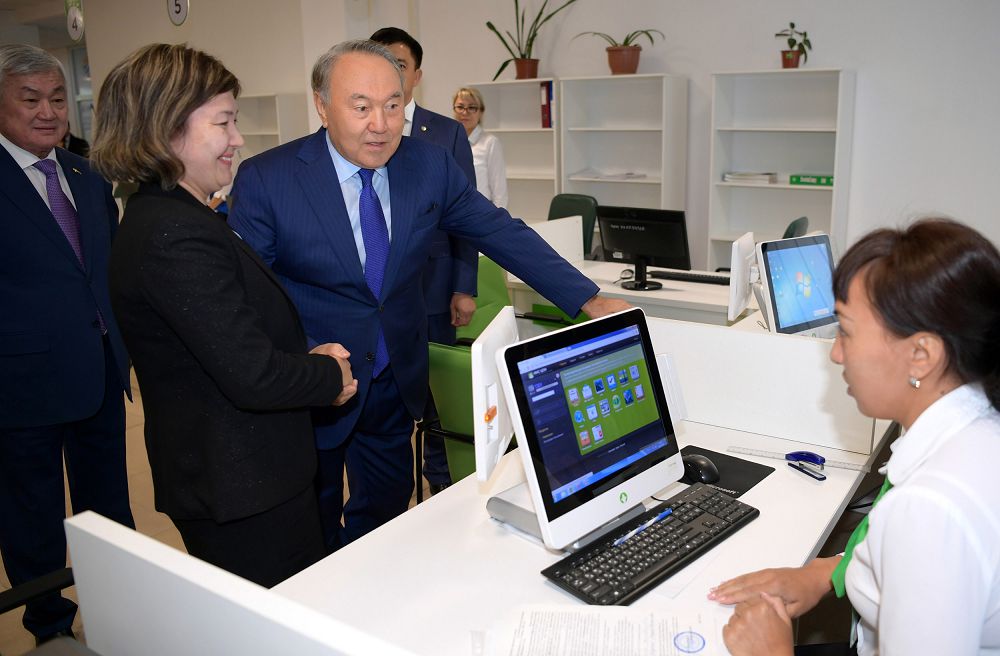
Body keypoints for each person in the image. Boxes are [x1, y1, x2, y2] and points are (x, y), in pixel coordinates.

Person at [228, 39, 629, 552]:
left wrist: (589, 299)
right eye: (361, 107)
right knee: (309, 525)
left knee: (385, 522)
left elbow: (499, 232)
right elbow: (247, 295)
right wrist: (302, 357)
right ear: (322, 106)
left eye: (393, 105)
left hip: (392, 377)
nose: (381, 124)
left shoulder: (428, 166)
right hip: (312, 381)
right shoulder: (269, 178)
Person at [92, 43, 357, 588]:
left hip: (253, 476)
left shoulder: (182, 215)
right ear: (167, 128)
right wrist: (329, 374)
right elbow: (251, 374)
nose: (237, 139)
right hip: (240, 486)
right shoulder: (172, 233)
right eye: (223, 122)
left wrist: (302, 356)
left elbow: (228, 339)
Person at [710, 218, 1000, 655]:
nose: (835, 352)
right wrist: (826, 573)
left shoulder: (930, 509)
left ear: (921, 354)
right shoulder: (977, 427)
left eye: (846, 330)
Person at [0, 43, 134, 645]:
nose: (48, 111)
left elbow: (107, 269)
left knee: (109, 506)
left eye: (57, 98)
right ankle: (50, 624)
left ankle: (120, 606)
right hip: (20, 382)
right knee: (32, 513)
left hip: (99, 369)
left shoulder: (88, 173)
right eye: (30, 100)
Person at [370, 26, 478, 494]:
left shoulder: (446, 132)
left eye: (400, 64)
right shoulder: (364, 130)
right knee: (388, 395)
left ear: (417, 74)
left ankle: (442, 487)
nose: (392, 72)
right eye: (382, 62)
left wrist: (465, 286)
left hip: (434, 287)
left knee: (437, 402)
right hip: (379, 291)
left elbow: (469, 217)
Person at [453, 86, 507, 208]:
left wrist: (497, 219)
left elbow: (500, 193)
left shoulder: (490, 143)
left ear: (481, 112)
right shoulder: (448, 143)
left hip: (481, 212)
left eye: (472, 107)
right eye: (460, 107)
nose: (465, 112)